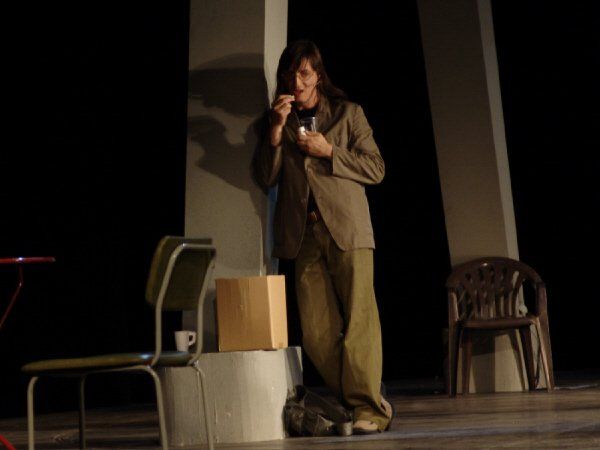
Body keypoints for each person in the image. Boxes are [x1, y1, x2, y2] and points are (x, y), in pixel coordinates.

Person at [254, 40, 391, 434]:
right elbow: (266, 177)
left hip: (347, 227)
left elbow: (376, 168)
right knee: (315, 333)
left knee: (360, 319)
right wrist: (275, 132)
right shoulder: (278, 120)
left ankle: (368, 410)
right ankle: (366, 397)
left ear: (317, 75)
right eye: (290, 75)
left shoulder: (347, 114)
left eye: (304, 74)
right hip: (304, 233)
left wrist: (330, 150)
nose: (296, 83)